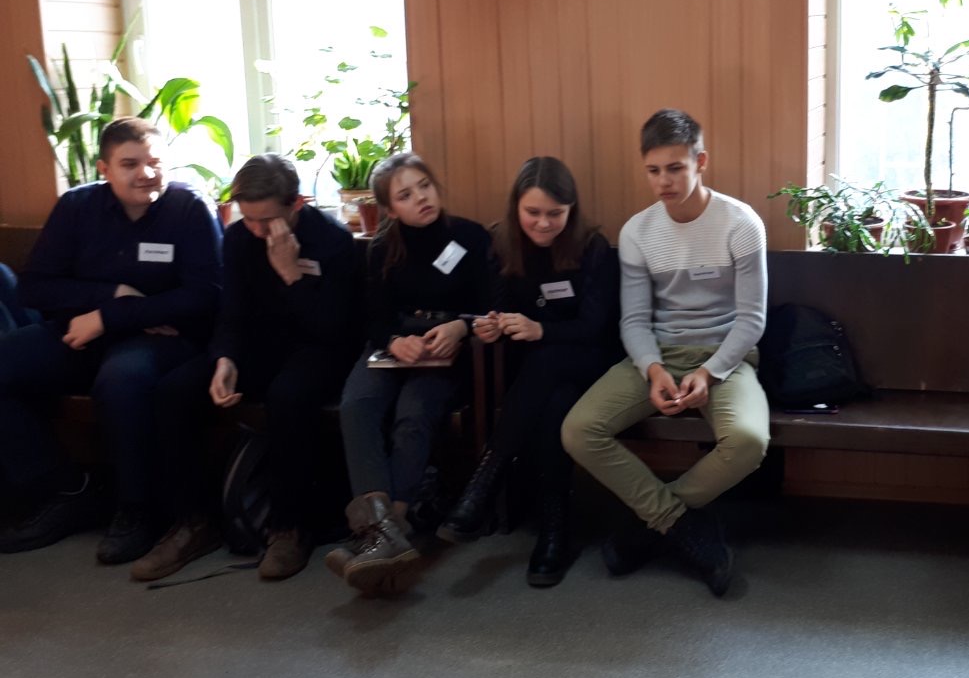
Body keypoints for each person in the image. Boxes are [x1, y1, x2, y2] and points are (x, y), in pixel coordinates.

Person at [560, 109, 769, 597]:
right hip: (658, 355)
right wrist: (653, 370)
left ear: (701, 162)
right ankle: (681, 524)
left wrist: (710, 373)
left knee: (748, 441)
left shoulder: (740, 223)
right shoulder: (638, 231)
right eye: (653, 170)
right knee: (578, 430)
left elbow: (751, 320)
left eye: (675, 168)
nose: (663, 181)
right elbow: (634, 321)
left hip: (725, 357)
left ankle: (648, 524)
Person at [0, 118, 221, 564]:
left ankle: (135, 509)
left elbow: (207, 295)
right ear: (104, 169)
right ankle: (67, 489)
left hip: (165, 339)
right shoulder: (77, 206)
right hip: (84, 332)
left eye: (155, 162)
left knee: (122, 380)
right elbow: (35, 287)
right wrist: (111, 296)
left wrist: (114, 315)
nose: (146, 173)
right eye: (130, 164)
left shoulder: (189, 208)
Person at [132, 154, 359, 582]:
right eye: (247, 217)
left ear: (297, 204)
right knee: (173, 391)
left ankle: (290, 528)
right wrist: (225, 359)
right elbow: (232, 313)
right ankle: (192, 522)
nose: (255, 229)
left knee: (287, 397)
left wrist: (291, 275)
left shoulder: (332, 241)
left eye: (266, 220)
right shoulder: (238, 238)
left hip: (320, 350)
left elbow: (334, 330)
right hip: (258, 348)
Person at [436, 156, 620, 589]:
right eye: (532, 212)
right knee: (553, 399)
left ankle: (485, 481)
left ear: (571, 209)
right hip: (537, 373)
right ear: (515, 207)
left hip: (592, 359)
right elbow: (496, 309)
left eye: (555, 213)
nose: (543, 223)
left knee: (548, 361)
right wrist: (491, 327)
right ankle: (555, 528)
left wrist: (541, 329)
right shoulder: (501, 242)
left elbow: (595, 328)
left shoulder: (592, 246)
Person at [322, 152, 494, 594]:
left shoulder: (469, 237)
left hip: (448, 349)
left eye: (424, 186)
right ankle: (386, 537)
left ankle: (384, 531)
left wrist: (461, 326)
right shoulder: (382, 247)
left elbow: (490, 304)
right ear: (390, 208)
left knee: (414, 412)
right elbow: (373, 318)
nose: (421, 198)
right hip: (395, 347)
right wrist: (395, 340)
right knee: (357, 405)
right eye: (405, 195)